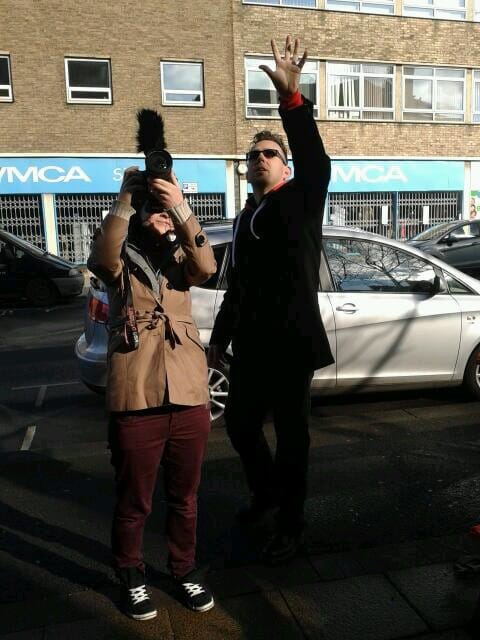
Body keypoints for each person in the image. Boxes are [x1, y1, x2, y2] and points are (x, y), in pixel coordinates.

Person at [208, 35, 334, 566]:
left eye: (269, 153)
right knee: (239, 426)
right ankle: (266, 494)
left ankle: (291, 522)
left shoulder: (300, 201)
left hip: (292, 345)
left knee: (292, 439)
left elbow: (316, 161)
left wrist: (292, 100)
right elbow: (237, 285)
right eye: (253, 155)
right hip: (253, 347)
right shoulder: (243, 219)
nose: (260, 159)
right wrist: (219, 341)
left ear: (282, 165)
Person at [88, 127, 217, 620]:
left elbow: (206, 266)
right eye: (155, 209)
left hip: (187, 394)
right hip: (137, 393)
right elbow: (101, 256)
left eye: (162, 210)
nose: (159, 216)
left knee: (185, 498)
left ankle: (183, 571)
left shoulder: (181, 259)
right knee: (134, 499)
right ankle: (132, 575)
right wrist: (126, 198)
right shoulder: (121, 260)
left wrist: (181, 206)